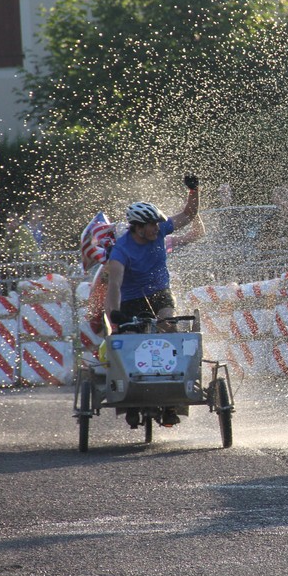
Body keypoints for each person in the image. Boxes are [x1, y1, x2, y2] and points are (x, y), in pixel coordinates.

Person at [104, 175, 200, 428]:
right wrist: (114, 315)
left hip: (160, 293)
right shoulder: (121, 250)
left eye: (158, 224)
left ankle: (171, 402)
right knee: (133, 341)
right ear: (138, 227)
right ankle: (133, 401)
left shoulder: (160, 231)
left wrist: (193, 189)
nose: (158, 228)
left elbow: (188, 215)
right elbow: (114, 286)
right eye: (152, 225)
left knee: (169, 326)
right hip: (132, 300)